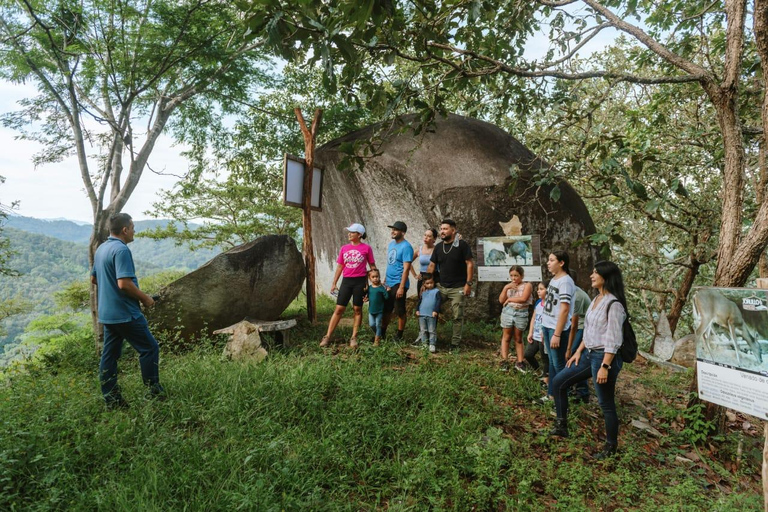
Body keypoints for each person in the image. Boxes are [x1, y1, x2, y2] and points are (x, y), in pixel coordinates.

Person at [549, 261, 628, 460]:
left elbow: (613, 338)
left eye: (595, 273)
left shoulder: (614, 304)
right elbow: (590, 330)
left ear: (606, 276)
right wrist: (578, 352)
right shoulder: (596, 300)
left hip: (604, 357)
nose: (592, 276)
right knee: (559, 382)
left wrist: (605, 366)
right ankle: (561, 426)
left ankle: (611, 447)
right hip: (588, 354)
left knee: (606, 403)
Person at [91, 213, 165, 410]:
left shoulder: (101, 249)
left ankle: (112, 399)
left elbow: (95, 279)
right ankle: (155, 392)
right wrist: (146, 298)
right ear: (125, 230)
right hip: (125, 313)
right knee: (149, 348)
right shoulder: (121, 250)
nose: (134, 231)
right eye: (132, 227)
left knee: (110, 355)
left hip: (107, 314)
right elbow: (124, 284)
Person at [320, 223, 377, 348]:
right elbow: (340, 266)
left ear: (359, 235)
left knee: (357, 309)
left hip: (360, 282)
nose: (349, 234)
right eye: (349, 232)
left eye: (352, 232)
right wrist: (334, 283)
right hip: (346, 281)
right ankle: (327, 336)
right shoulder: (344, 248)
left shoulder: (366, 248)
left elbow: (372, 266)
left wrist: (376, 282)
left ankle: (354, 337)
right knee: (339, 309)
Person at [427, 218, 474, 352]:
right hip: (441, 286)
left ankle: (455, 344)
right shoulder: (438, 247)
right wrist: (427, 282)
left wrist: (468, 284)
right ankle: (430, 339)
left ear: (453, 231)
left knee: (457, 316)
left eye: (445, 229)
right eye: (441, 229)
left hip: (458, 287)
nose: (442, 231)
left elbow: (470, 264)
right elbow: (432, 265)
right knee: (430, 309)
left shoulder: (462, 245)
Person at [541, 250, 575, 399]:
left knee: (559, 365)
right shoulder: (555, 279)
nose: (548, 263)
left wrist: (557, 333)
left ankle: (563, 398)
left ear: (561, 263)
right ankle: (551, 395)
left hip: (556, 329)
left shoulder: (565, 281)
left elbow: (565, 309)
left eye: (552, 260)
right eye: (548, 260)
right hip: (547, 326)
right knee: (552, 363)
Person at [382, 221, 414, 341]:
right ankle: (382, 334)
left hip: (398, 283)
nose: (393, 231)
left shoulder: (407, 247)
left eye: (396, 230)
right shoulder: (391, 244)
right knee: (386, 309)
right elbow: (391, 263)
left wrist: (401, 287)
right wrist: (385, 279)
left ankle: (399, 336)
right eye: (392, 229)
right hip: (389, 282)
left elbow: (406, 269)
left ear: (403, 232)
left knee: (400, 310)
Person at [498, 266, 532, 372]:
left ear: (521, 276)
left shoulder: (527, 285)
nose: (514, 278)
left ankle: (520, 362)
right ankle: (504, 361)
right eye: (511, 275)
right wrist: (506, 288)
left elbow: (523, 299)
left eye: (516, 275)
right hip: (508, 311)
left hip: (521, 312)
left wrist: (510, 299)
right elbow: (501, 300)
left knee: (518, 338)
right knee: (506, 336)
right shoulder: (508, 286)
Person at [566, 285, 592, 403]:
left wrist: (569, 347)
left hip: (583, 327)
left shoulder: (577, 296)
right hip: (574, 325)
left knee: (576, 357)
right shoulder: (568, 292)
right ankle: (573, 386)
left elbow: (574, 325)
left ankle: (582, 391)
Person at [525, 281, 550, 383]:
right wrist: (530, 332)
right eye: (538, 289)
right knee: (528, 354)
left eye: (541, 289)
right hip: (535, 335)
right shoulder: (538, 302)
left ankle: (546, 378)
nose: (538, 291)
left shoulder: (550, 305)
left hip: (544, 337)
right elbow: (534, 318)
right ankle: (537, 370)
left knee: (545, 359)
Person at [414, 273, 441, 353]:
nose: (429, 285)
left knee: (432, 330)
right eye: (427, 283)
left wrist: (435, 310)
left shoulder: (436, 291)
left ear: (434, 282)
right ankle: (424, 344)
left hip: (431, 314)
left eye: (431, 283)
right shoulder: (423, 292)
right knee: (423, 330)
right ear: (424, 284)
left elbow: (438, 302)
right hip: (422, 314)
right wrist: (417, 310)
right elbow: (420, 301)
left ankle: (432, 344)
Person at [410, 228, 439, 295]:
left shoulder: (437, 249)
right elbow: (408, 262)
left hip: (435, 277)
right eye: (425, 235)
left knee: (434, 300)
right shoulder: (419, 249)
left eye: (429, 236)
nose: (425, 237)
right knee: (421, 298)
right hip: (422, 278)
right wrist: (415, 275)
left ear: (434, 239)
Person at [366, 269, 388, 346]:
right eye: (373, 277)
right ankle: (379, 334)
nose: (375, 278)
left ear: (379, 277)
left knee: (378, 324)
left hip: (379, 310)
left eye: (377, 276)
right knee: (372, 324)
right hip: (371, 310)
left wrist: (386, 291)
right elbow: (368, 296)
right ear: (370, 278)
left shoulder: (381, 287)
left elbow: (386, 297)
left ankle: (376, 341)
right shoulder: (370, 288)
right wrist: (366, 299)